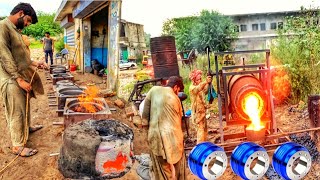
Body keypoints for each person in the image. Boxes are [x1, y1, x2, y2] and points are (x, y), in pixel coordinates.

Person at [0, 2, 47, 157]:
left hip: (18, 76)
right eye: (27, 20)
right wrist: (19, 80)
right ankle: (18, 146)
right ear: (20, 13)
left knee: (24, 105)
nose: (27, 24)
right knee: (16, 111)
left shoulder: (16, 30)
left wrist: (35, 62)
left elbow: (21, 57)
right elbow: (5, 57)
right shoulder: (3, 27)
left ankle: (27, 128)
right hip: (10, 78)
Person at [141, 76, 186, 180]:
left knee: (162, 170)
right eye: (178, 90)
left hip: (155, 138)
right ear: (176, 87)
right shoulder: (176, 99)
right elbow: (179, 122)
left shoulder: (153, 90)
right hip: (173, 139)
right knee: (179, 167)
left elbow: (144, 117)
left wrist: (147, 134)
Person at [189, 69, 212, 144]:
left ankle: (204, 146)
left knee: (205, 131)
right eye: (198, 79)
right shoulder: (192, 88)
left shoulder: (200, 87)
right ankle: (200, 148)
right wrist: (205, 82)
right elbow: (198, 89)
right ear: (194, 80)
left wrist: (209, 82)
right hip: (197, 114)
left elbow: (204, 90)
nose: (200, 81)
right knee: (200, 132)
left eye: (200, 79)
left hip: (202, 113)